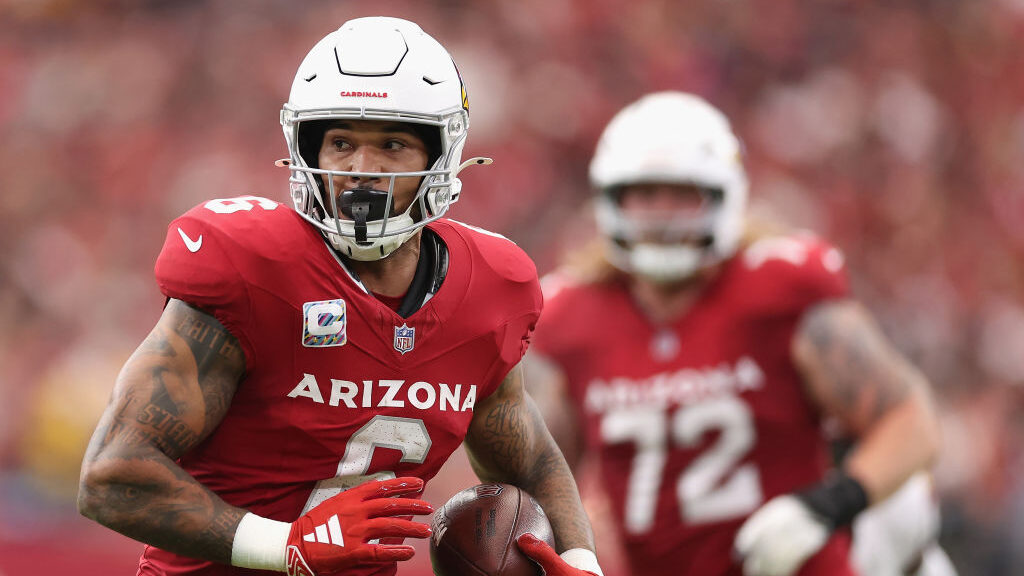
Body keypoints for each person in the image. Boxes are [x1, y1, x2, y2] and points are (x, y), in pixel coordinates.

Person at [78, 17, 603, 576]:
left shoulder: (491, 288)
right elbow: (113, 475)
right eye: (341, 143)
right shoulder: (253, 269)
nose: (361, 170)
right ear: (308, 150)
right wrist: (288, 548)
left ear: (442, 155)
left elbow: (530, 454)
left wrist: (579, 560)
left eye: (393, 145)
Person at [526, 91, 952, 576]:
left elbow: (911, 420)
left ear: (724, 195)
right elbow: (538, 476)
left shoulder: (780, 289)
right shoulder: (570, 319)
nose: (662, 213)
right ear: (611, 198)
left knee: (908, 507)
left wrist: (825, 506)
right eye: (645, 194)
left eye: (683, 194)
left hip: (797, 566)